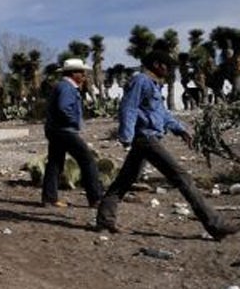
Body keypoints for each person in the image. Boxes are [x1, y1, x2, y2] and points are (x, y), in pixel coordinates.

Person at [96, 50, 239, 240]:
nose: (170, 69)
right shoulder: (141, 81)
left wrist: (179, 129)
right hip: (145, 138)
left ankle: (105, 220)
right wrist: (126, 137)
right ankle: (215, 224)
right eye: (167, 65)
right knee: (182, 177)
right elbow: (128, 107)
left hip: (148, 137)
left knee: (125, 180)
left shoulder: (153, 86)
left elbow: (161, 113)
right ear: (156, 64)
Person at [41, 58, 104, 208]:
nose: (84, 75)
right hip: (64, 131)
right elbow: (64, 108)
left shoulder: (61, 86)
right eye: (81, 72)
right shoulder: (67, 88)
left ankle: (49, 198)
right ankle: (95, 198)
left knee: (55, 163)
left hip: (54, 130)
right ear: (73, 73)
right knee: (87, 161)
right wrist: (75, 122)